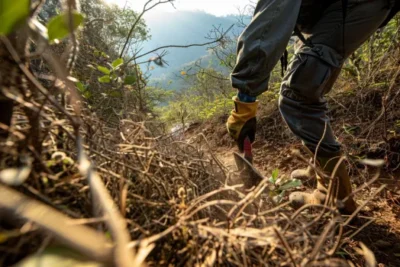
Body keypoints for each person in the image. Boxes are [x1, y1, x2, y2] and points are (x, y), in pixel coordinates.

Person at [226, 0, 398, 214]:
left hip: (358, 4)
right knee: (308, 79)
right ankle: (319, 168)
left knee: (297, 94)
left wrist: (245, 99)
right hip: (335, 9)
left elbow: (267, 27)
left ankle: (334, 197)